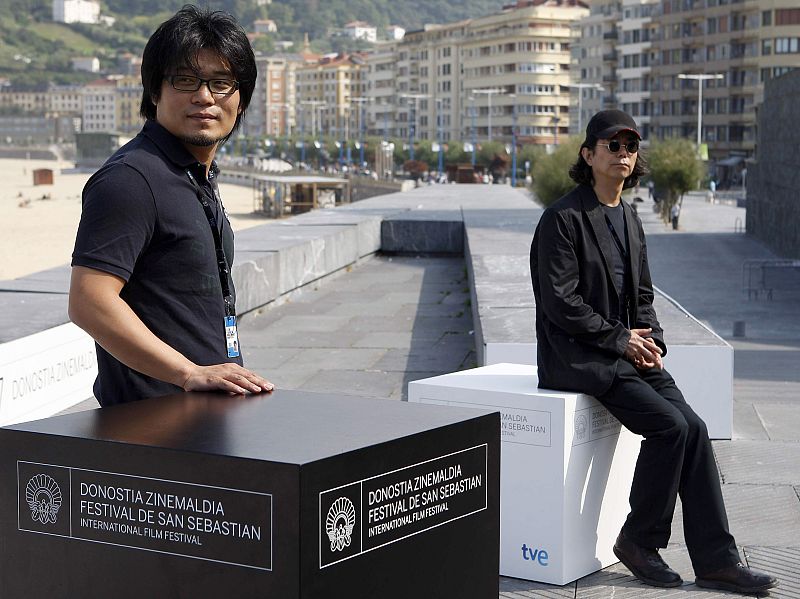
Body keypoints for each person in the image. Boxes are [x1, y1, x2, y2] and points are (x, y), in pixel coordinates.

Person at [530, 109, 777, 594]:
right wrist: (621, 339)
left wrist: (652, 340)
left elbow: (644, 294)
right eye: (612, 145)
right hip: (580, 357)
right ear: (588, 155)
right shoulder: (562, 219)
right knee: (670, 427)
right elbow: (560, 303)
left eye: (630, 146)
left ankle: (717, 561)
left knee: (695, 428)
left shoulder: (629, 217)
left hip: (625, 351)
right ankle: (638, 541)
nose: (623, 154)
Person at [69, 6, 273, 406]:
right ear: (154, 91)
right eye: (185, 80)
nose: (204, 97)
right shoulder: (131, 179)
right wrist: (189, 373)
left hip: (206, 410)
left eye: (221, 83)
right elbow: (89, 301)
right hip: (153, 422)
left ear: (241, 100)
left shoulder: (194, 174)